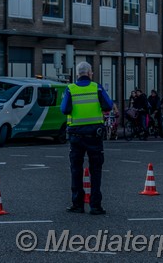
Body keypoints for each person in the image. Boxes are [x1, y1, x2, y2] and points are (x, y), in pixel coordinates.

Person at [61, 61, 114, 215]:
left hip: (76, 135)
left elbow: (65, 109)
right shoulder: (96, 87)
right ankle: (95, 206)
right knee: (96, 170)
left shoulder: (70, 89)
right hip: (94, 135)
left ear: (78, 74)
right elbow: (108, 106)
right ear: (90, 73)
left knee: (76, 170)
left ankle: (77, 204)